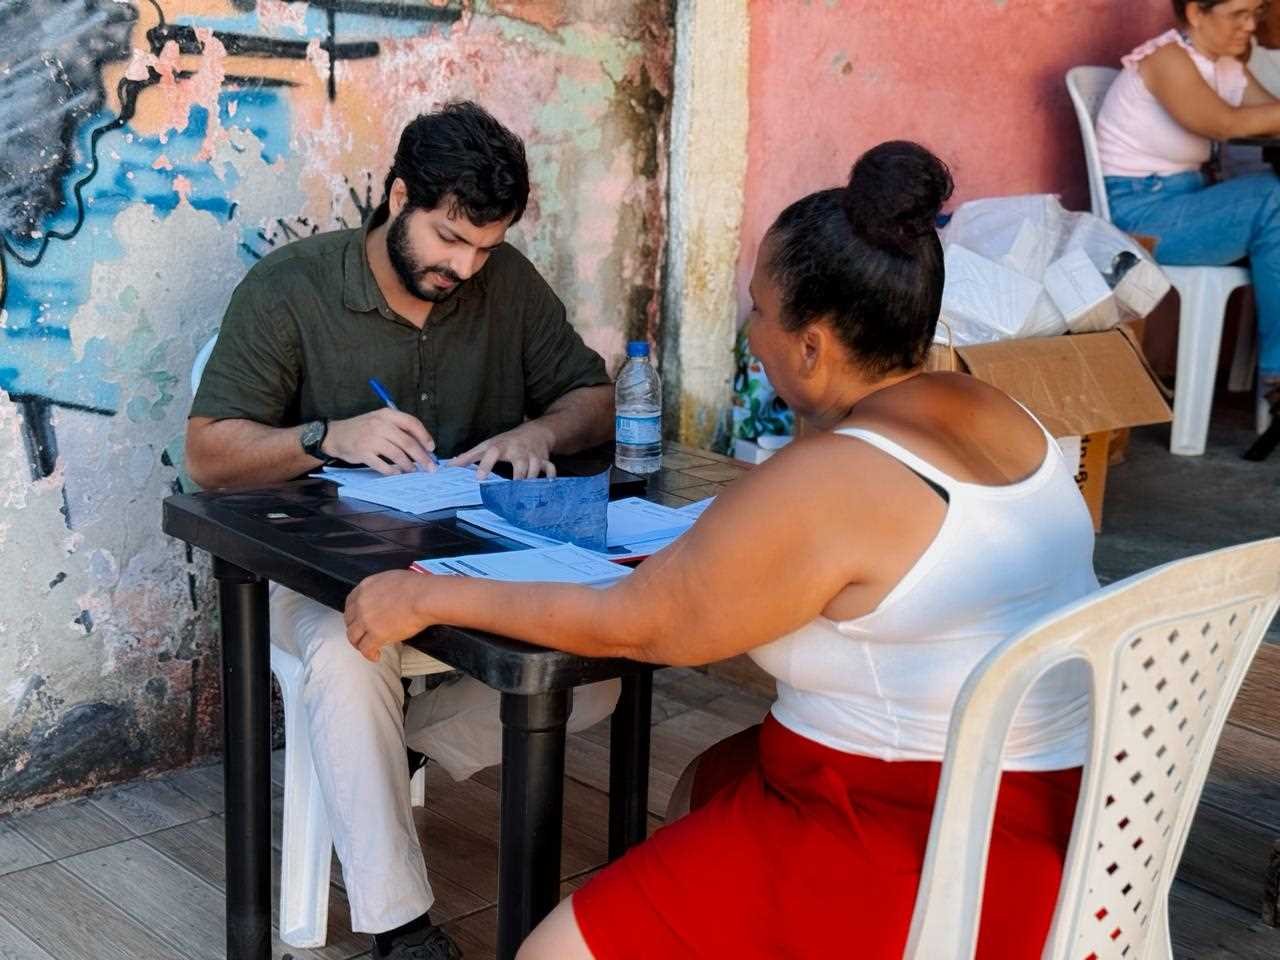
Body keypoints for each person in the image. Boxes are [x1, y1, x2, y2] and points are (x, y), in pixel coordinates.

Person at [343, 141, 1099, 959]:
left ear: (811, 347)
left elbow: (636, 623)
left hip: (921, 844)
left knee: (545, 954)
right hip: (1067, 815)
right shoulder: (1001, 413)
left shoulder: (831, 479)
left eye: (760, 310)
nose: (751, 330)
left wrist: (425, 595)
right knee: (706, 782)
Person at [185, 101, 622, 960]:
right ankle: (401, 931)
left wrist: (539, 432)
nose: (465, 266)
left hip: (463, 563)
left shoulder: (506, 283)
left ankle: (380, 758)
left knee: (600, 660)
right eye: (451, 239)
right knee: (352, 657)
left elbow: (594, 396)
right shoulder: (292, 287)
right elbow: (208, 454)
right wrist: (325, 437)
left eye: (485, 248)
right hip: (311, 571)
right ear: (396, 197)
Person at [1095, 0, 1280, 424]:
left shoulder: (1226, 67)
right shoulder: (1167, 59)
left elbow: (1269, 119)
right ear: (1196, 11)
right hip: (1142, 218)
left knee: (1274, 198)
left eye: (1257, 12)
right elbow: (1223, 124)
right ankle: (1277, 377)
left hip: (1187, 205)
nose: (1250, 25)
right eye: (1238, 13)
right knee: (1272, 197)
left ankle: (1273, 375)